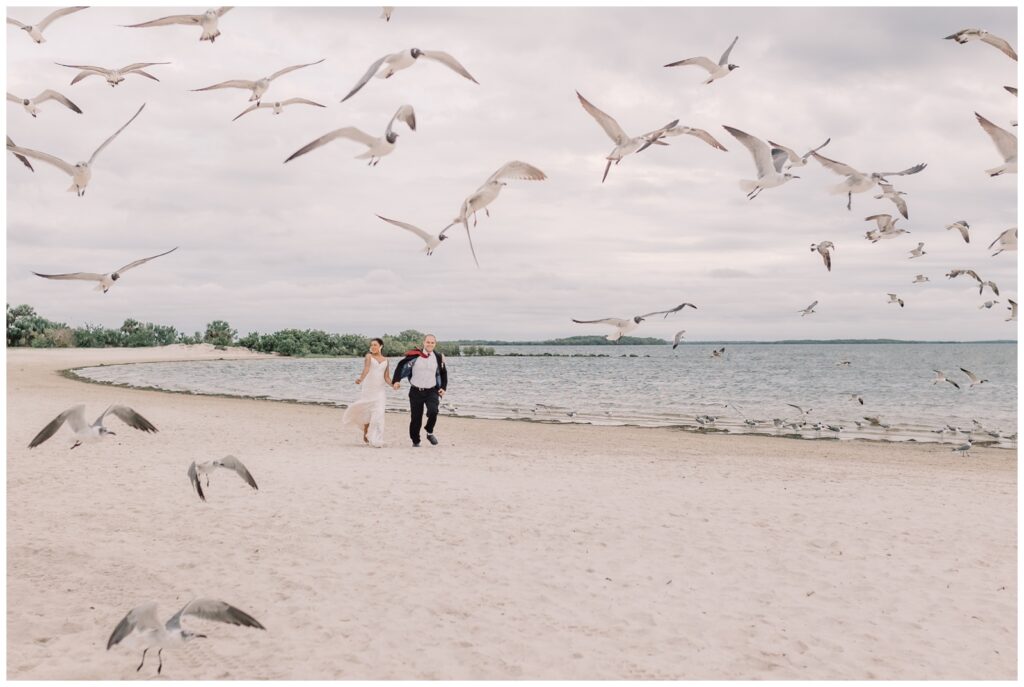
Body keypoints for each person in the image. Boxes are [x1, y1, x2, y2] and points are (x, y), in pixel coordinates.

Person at [392, 334, 448, 447]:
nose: (430, 344)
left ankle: (429, 431)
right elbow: (400, 365)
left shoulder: (438, 357)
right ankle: (416, 441)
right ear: (424, 342)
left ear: (435, 344)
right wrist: (396, 380)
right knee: (416, 418)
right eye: (428, 342)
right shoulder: (415, 355)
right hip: (415, 391)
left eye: (432, 342)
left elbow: (443, 373)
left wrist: (443, 388)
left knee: (433, 411)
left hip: (432, 391)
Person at [342, 338, 391, 447]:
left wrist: (393, 385)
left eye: (375, 345)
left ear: (381, 346)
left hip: (380, 391)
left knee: (379, 413)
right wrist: (361, 379)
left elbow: (386, 377)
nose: (373, 347)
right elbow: (366, 369)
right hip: (369, 388)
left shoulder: (386, 360)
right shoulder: (369, 356)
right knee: (367, 411)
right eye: (371, 345)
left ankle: (377, 439)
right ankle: (366, 429)